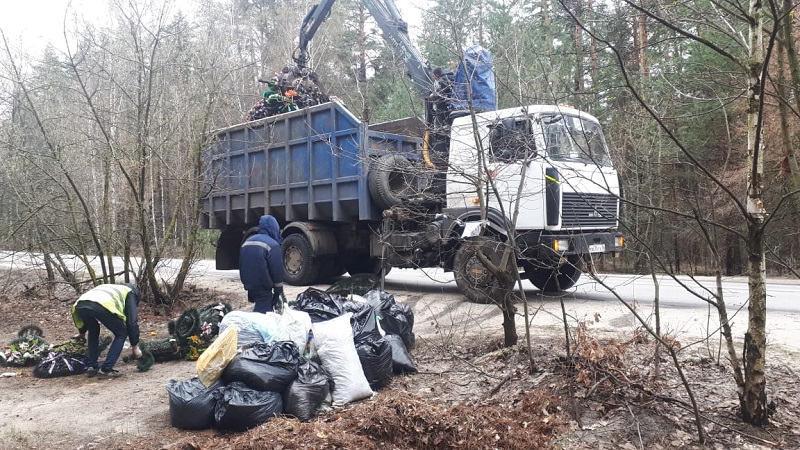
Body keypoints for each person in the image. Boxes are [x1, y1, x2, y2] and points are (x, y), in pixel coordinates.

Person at [71, 283, 142, 379]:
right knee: (122, 333)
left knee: (93, 329)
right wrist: (135, 346)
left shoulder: (110, 287)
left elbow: (88, 305)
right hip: (101, 305)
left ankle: (92, 366)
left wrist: (82, 332)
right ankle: (106, 369)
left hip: (80, 304)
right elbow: (132, 323)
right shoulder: (130, 293)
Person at [239, 214, 285, 313]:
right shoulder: (273, 245)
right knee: (262, 312)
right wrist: (278, 291)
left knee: (258, 305)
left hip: (248, 284)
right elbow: (277, 269)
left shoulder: (247, 241)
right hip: (263, 285)